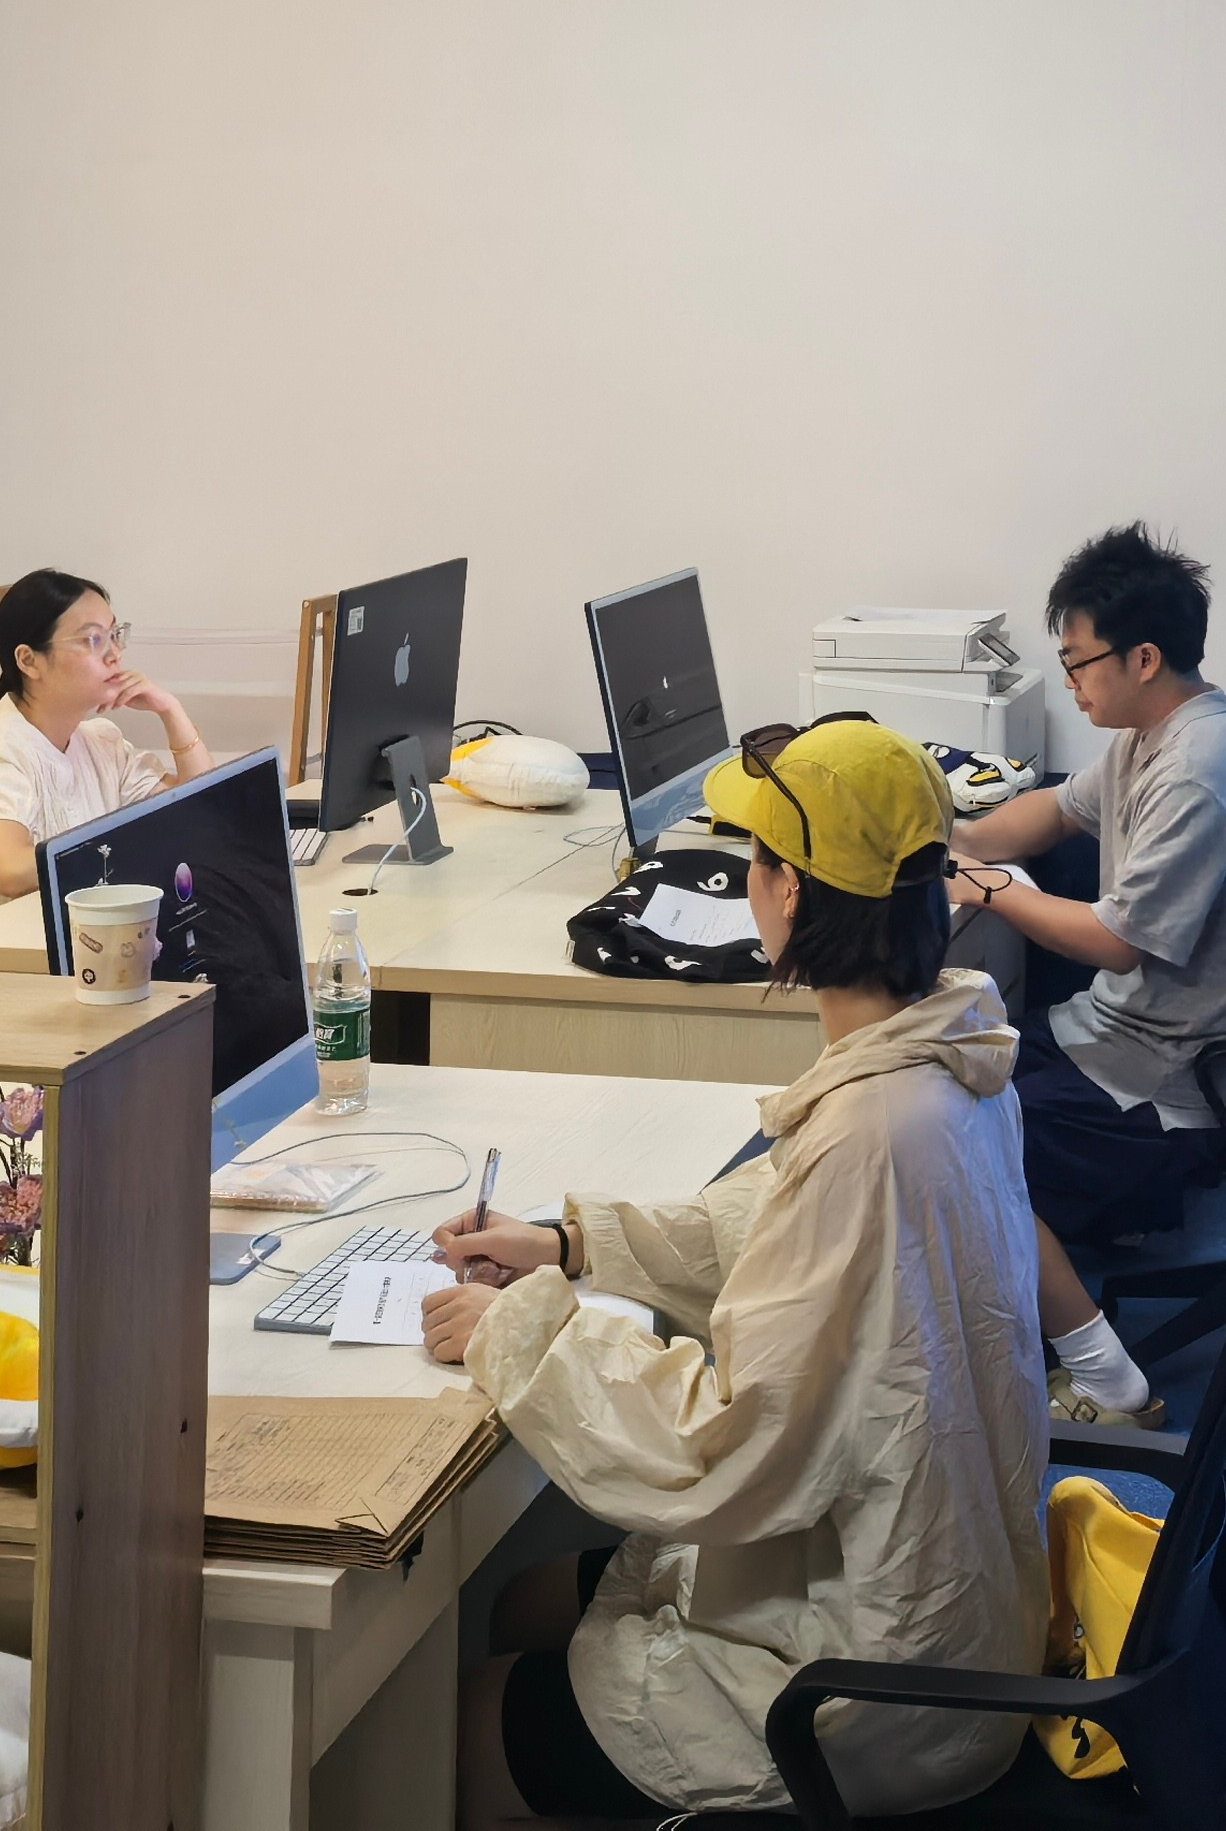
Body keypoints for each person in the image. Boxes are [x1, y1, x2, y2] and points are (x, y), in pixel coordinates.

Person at [423, 718, 1045, 1825]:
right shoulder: (939, 1059)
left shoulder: (869, 1131)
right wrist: (567, 1245)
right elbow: (769, 1225)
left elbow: (723, 1443)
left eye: (753, 859)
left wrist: (516, 1330)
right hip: (931, 1595)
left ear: (788, 891)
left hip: (860, 1683)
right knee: (521, 1600)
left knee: (458, 1730)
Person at [944, 524, 1226, 1426]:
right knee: (953, 1073)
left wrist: (984, 887)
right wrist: (954, 838)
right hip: (1124, 1036)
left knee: (963, 1145)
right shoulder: (1152, 733)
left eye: (1078, 664)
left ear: (1143, 658)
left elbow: (1116, 943)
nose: (1070, 683)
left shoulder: (1196, 772)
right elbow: (1057, 813)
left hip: (1186, 1078)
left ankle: (1107, 1381)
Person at [0, 570, 213, 947]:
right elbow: (11, 870)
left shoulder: (100, 741)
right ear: (29, 661)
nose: (115, 654)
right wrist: (127, 842)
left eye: (114, 634)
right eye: (93, 639)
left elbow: (197, 809)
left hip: (62, 949)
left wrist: (171, 711)